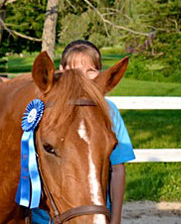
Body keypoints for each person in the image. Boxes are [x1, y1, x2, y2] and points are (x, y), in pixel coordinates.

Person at [31, 40, 135, 224]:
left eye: (91, 72)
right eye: (75, 72)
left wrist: (116, 217)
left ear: (100, 72)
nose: (83, 78)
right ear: (61, 70)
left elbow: (118, 169)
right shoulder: (42, 109)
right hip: (43, 217)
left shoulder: (109, 110)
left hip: (95, 214)